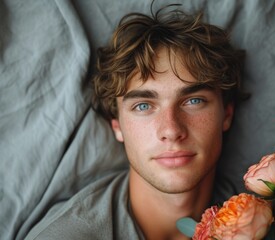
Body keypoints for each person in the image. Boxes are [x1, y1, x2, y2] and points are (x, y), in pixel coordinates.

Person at [25, 3, 243, 240]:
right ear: (117, 126)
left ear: (227, 115)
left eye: (194, 101)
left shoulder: (268, 216)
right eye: (143, 106)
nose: (171, 130)